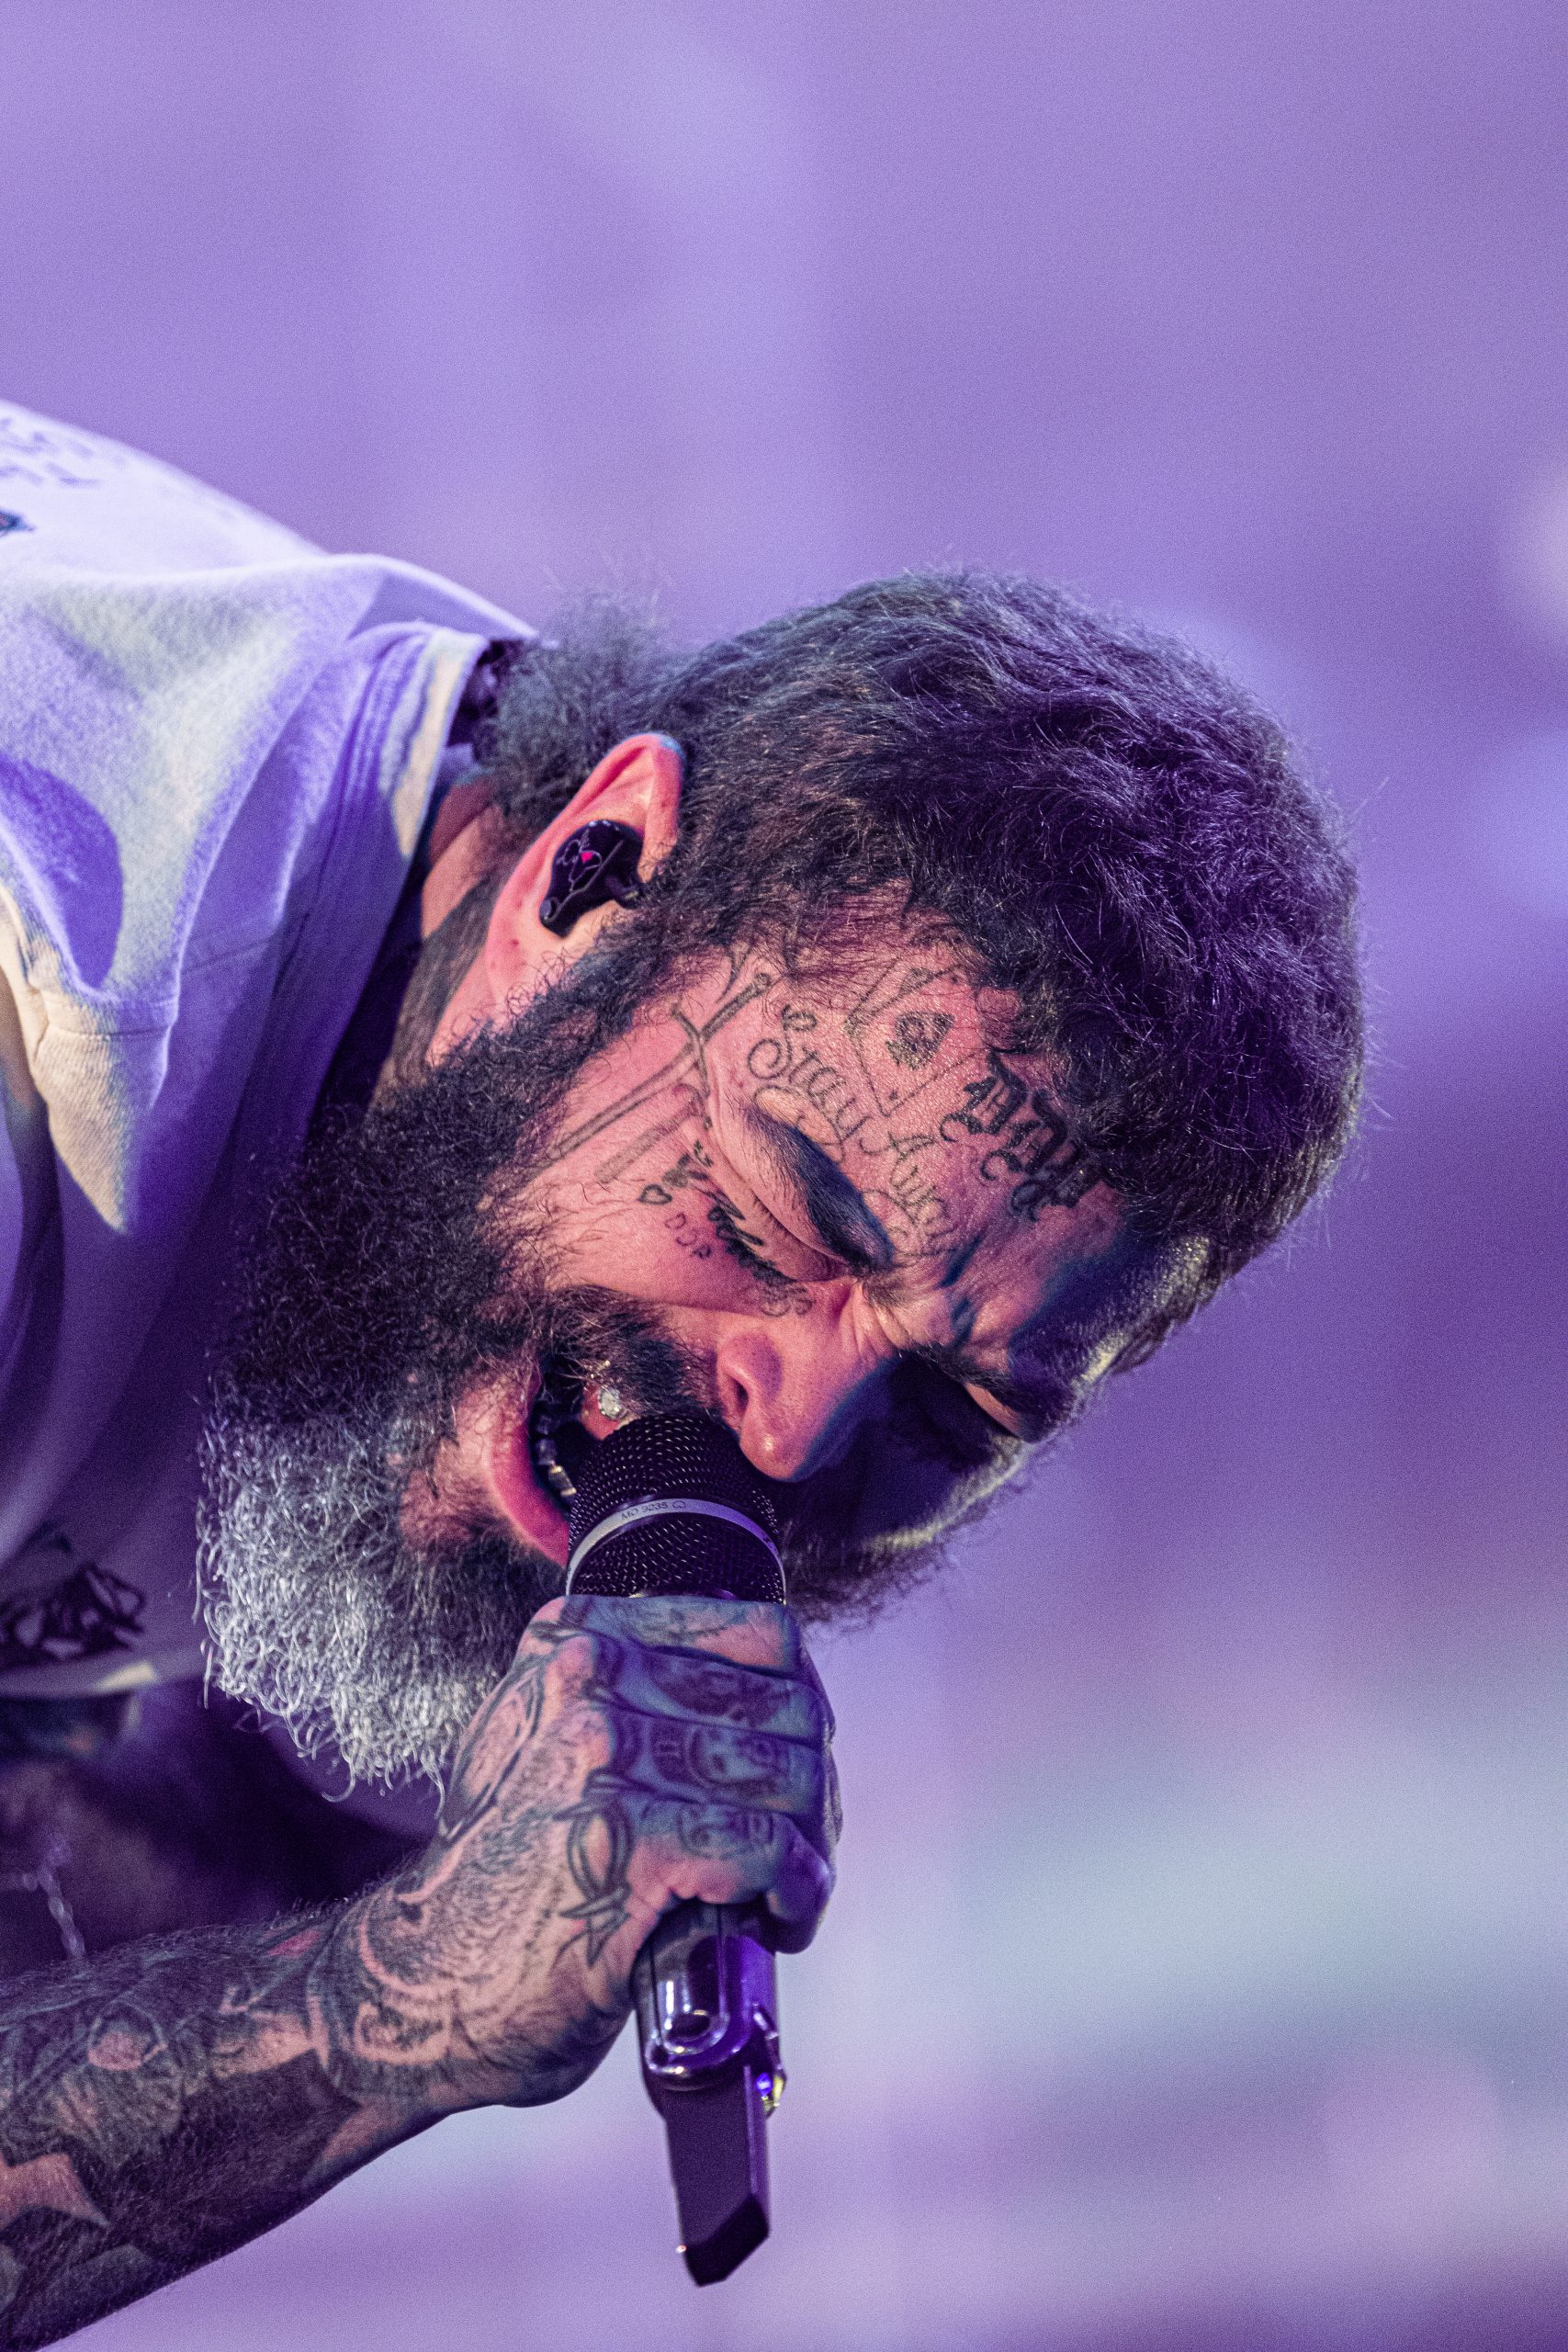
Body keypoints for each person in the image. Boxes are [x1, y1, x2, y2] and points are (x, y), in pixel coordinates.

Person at [0, 399, 1361, 2342]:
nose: (793, 1428)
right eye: (787, 1212)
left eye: (962, 1406)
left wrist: (384, 1856)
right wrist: (384, 2008)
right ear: (593, 867)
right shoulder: (57, 1019)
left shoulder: (467, 1061)